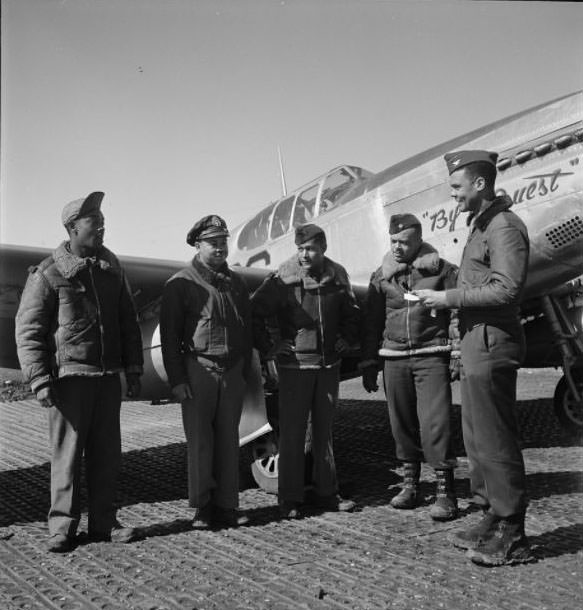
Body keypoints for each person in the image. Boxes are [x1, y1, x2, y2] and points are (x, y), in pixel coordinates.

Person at [415, 150, 532, 566]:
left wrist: (447, 297)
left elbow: (506, 290)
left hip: (491, 342)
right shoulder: (482, 226)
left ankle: (512, 530)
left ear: (480, 184)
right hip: (474, 342)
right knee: (477, 438)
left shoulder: (503, 228)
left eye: (457, 188)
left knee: (496, 438)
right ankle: (489, 514)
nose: (454, 196)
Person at [15, 192, 143, 553]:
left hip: (106, 379)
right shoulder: (48, 273)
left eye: (102, 220)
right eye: (93, 221)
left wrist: (133, 369)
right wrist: (39, 379)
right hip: (68, 379)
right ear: (73, 228)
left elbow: (128, 323)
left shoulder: (112, 269)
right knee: (66, 457)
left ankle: (104, 523)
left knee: (106, 455)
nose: (102, 226)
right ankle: (62, 528)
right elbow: (28, 330)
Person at [251, 223, 360, 518]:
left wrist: (346, 339)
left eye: (310, 248)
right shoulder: (283, 279)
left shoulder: (337, 277)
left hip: (327, 367)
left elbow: (351, 314)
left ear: (323, 248)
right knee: (293, 433)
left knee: (324, 433)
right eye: (300, 249)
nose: (304, 254)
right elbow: (254, 311)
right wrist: (272, 346)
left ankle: (327, 492)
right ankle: (289, 498)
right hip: (295, 367)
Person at [360, 213, 460, 521]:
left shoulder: (442, 271)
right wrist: (368, 361)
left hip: (432, 354)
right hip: (394, 357)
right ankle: (410, 484)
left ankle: (445, 491)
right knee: (400, 424)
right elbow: (372, 321)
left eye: (404, 242)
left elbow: (456, 312)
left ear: (418, 241)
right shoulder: (381, 276)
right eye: (393, 242)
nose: (398, 247)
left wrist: (456, 352)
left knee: (435, 423)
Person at [159, 215, 252, 529]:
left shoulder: (237, 283)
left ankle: (227, 506)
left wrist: (246, 369)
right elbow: (169, 338)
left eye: (223, 242)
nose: (220, 248)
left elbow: (247, 327)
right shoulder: (180, 284)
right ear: (198, 245)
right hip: (199, 370)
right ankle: (202, 508)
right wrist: (178, 381)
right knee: (200, 442)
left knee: (228, 440)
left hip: (232, 371)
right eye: (213, 242)